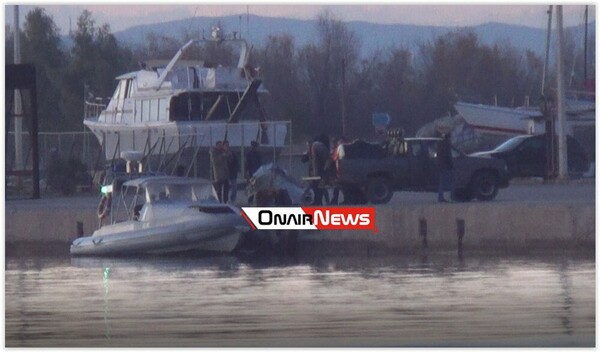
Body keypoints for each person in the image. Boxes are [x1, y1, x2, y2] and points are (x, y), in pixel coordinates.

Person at [437, 133, 454, 202]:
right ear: (448, 138)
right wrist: (451, 165)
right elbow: (448, 156)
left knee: (442, 183)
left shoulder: (440, 144)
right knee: (450, 182)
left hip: (441, 166)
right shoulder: (447, 145)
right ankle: (451, 197)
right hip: (446, 166)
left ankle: (441, 197)